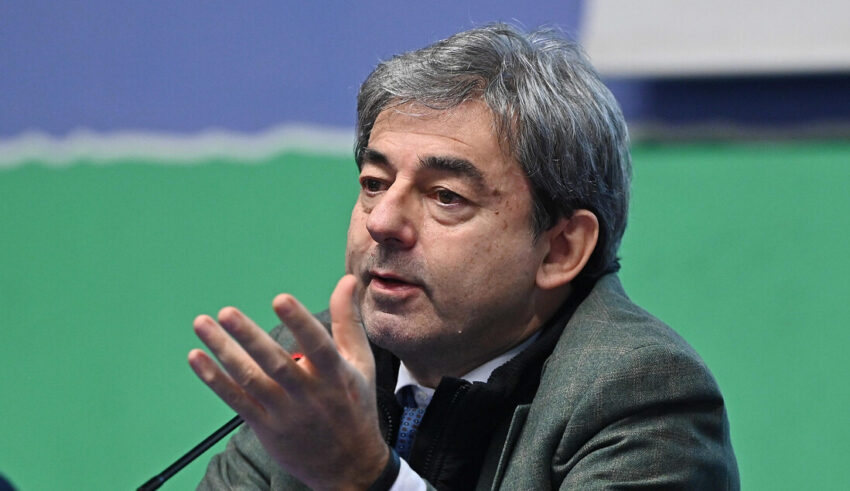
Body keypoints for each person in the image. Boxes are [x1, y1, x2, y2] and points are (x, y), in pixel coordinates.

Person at [189, 23, 739, 490]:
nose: (382, 222)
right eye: (375, 183)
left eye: (445, 196)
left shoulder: (638, 396)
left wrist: (362, 476)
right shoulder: (318, 367)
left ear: (560, 248)